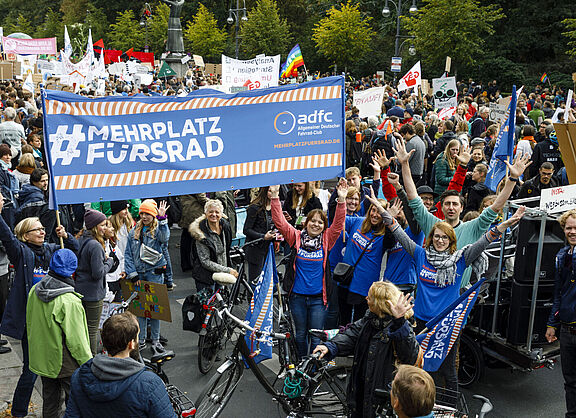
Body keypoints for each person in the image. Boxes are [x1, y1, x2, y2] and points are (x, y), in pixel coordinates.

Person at [369, 190, 525, 393]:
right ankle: (417, 406)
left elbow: (487, 238)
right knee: (416, 368)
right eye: (436, 236)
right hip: (420, 322)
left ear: (451, 241)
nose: (440, 240)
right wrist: (381, 209)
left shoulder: (462, 259)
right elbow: (396, 229)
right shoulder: (419, 254)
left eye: (445, 238)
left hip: (446, 325)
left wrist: (507, 223)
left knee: (448, 370)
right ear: (431, 237)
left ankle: (451, 408)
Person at [398, 138, 531, 287]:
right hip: (428, 290)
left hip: (458, 295)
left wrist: (513, 179)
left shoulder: (473, 227)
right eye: (447, 204)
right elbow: (413, 197)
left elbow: (496, 206)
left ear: (462, 208)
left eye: (455, 204)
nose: (451, 207)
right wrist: (404, 164)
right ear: (441, 208)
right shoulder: (432, 223)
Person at [0, 195, 77, 418]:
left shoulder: (53, 249)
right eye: (37, 229)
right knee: (32, 370)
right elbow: (6, 236)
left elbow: (73, 251)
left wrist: (67, 236)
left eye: (44, 228)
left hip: (52, 321)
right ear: (25, 235)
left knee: (56, 369)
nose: (43, 232)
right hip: (31, 323)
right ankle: (18, 411)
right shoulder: (21, 252)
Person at [313, 281, 420, 418]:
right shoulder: (370, 319)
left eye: (369, 297)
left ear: (378, 303)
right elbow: (351, 335)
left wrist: (399, 323)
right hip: (361, 394)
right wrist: (330, 347)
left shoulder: (401, 327)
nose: (366, 299)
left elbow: (409, 356)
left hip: (382, 399)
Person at [270, 180, 347, 357]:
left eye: (320, 222)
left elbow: (338, 224)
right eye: (313, 221)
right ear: (306, 223)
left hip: (318, 300)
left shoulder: (327, 239)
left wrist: (341, 200)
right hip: (297, 297)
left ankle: (313, 368)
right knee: (300, 335)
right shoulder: (296, 237)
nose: (316, 225)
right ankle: (302, 365)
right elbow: (280, 222)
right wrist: (275, 196)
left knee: (316, 336)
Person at [65, 311, 176, 417]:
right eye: (137, 336)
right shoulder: (149, 383)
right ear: (131, 344)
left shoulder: (79, 376)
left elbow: (72, 414)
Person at [26, 249, 92, 418]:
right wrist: (88, 364)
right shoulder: (69, 301)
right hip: (64, 362)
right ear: (73, 270)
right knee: (76, 403)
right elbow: (77, 342)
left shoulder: (35, 290)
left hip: (42, 358)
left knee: (50, 400)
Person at [124, 199, 170, 354]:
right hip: (139, 275)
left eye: (147, 213)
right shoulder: (133, 232)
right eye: (142, 213)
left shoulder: (158, 230)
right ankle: (141, 340)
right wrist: (133, 274)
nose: (144, 216)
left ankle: (156, 341)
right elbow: (128, 255)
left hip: (154, 274)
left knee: (155, 310)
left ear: (153, 215)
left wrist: (163, 220)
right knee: (141, 311)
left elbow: (165, 239)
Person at [75, 209, 117, 356]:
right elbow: (98, 273)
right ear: (94, 226)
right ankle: (91, 358)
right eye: (102, 225)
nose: (105, 228)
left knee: (83, 328)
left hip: (80, 289)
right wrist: (109, 262)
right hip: (93, 293)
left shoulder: (81, 240)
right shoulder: (95, 245)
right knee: (92, 329)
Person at [547, 209, 576, 418]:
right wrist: (552, 324)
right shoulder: (561, 256)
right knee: (571, 381)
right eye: (569, 228)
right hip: (567, 330)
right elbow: (558, 293)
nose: (572, 231)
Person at [189, 199, 236, 292]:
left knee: (221, 303)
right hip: (205, 277)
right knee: (206, 304)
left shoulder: (225, 226)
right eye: (211, 212)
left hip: (222, 275)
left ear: (221, 214)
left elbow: (226, 250)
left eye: (217, 212)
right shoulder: (200, 233)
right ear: (205, 213)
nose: (214, 214)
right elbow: (205, 261)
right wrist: (227, 270)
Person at [243, 186, 277, 282]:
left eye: (275, 191)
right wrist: (263, 236)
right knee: (255, 281)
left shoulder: (276, 207)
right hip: (256, 248)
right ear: (265, 191)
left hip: (269, 248)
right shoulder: (255, 207)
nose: (273, 194)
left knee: (267, 280)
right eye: (270, 191)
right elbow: (246, 230)